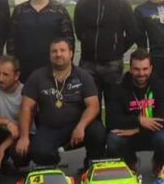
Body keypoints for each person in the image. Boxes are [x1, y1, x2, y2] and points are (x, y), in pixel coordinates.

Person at [16, 38, 107, 168]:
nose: (58, 54)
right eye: (54, 51)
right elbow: (26, 107)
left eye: (62, 50)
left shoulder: (83, 76)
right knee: (39, 152)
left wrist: (81, 126)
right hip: (49, 128)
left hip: (77, 125)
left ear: (71, 53)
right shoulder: (37, 76)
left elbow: (94, 106)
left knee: (98, 132)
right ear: (49, 55)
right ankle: (54, 166)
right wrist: (24, 137)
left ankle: (91, 165)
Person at [72, 0, 137, 110]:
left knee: (114, 106)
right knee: (90, 107)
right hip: (88, 63)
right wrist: (89, 43)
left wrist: (116, 49)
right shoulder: (82, 3)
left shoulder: (121, 2)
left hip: (112, 64)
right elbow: (79, 31)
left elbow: (133, 32)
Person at [106, 49, 164, 172]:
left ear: (151, 68)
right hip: (129, 134)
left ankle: (158, 162)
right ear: (130, 69)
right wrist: (138, 120)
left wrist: (138, 129)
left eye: (145, 69)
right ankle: (131, 162)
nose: (141, 73)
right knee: (113, 139)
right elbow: (111, 120)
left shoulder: (161, 86)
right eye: (137, 69)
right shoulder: (118, 88)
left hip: (150, 133)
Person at [7, 0, 74, 82]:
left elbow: (69, 41)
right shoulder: (19, 11)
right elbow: (11, 41)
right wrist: (13, 67)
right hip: (24, 71)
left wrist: (67, 67)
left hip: (53, 70)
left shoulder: (59, 10)